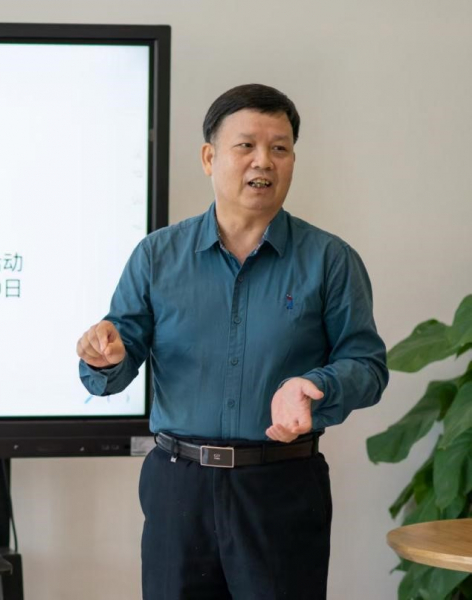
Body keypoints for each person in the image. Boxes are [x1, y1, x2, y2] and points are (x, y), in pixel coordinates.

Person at [77, 83, 388, 600]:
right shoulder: (156, 256)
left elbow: (368, 365)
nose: (263, 161)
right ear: (209, 157)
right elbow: (114, 361)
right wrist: (104, 357)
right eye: (246, 145)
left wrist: (316, 385)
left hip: (281, 486)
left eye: (279, 148)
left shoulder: (330, 260)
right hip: (179, 487)